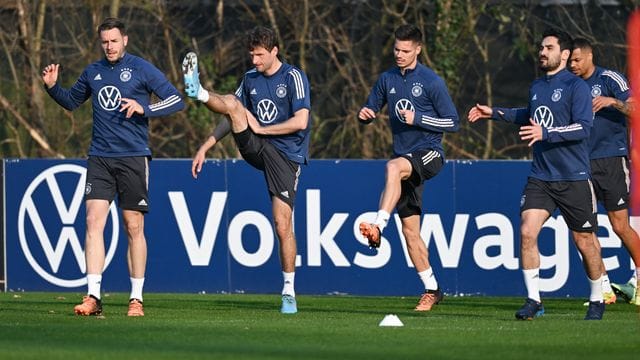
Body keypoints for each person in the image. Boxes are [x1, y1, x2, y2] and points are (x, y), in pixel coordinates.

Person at [41, 18, 185, 317]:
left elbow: (176, 100)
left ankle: (136, 298)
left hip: (133, 157)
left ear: (125, 40)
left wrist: (143, 107)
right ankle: (93, 295)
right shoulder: (93, 72)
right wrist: (53, 88)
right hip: (100, 158)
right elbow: (70, 102)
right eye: (104, 42)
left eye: (114, 41)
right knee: (93, 221)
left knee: (133, 226)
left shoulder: (142, 68)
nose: (109, 46)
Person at [468, 28, 606, 320]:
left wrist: (547, 132)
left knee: (584, 242)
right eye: (541, 47)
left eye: (549, 47)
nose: (542, 52)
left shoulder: (577, 87)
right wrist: (494, 112)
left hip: (574, 177)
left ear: (564, 54)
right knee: (527, 231)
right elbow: (528, 114)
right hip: (541, 176)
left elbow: (583, 127)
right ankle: (534, 300)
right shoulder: (537, 86)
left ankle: (597, 299)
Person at [184, 26, 311, 314]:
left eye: (260, 55)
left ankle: (289, 292)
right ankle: (199, 91)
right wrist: (206, 146)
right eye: (252, 54)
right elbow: (232, 114)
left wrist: (264, 128)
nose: (254, 60)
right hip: (256, 146)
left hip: (286, 157)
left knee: (282, 225)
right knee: (231, 101)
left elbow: (301, 121)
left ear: (274, 51)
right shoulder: (250, 79)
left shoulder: (293, 77)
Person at [357, 25, 459, 312]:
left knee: (392, 167)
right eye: (396, 50)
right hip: (405, 162)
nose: (399, 55)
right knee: (411, 233)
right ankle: (432, 289)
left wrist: (419, 118)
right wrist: (365, 115)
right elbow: (370, 108)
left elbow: (453, 122)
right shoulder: (387, 78)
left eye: (405, 50)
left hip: (429, 154)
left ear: (418, 50)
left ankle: (378, 225)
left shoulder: (431, 82)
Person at [570, 38, 640, 306]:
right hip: (577, 163)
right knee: (583, 231)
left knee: (620, 225)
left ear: (589, 56)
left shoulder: (610, 78)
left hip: (610, 160)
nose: (573, 65)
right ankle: (603, 289)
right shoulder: (568, 84)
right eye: (570, 61)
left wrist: (612, 102)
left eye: (577, 60)